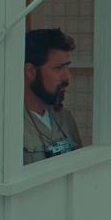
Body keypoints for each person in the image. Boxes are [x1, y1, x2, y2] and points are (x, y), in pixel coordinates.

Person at [23, 28, 83, 165]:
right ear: (30, 71)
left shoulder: (64, 118)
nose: (67, 77)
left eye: (67, 68)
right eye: (58, 68)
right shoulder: (8, 126)